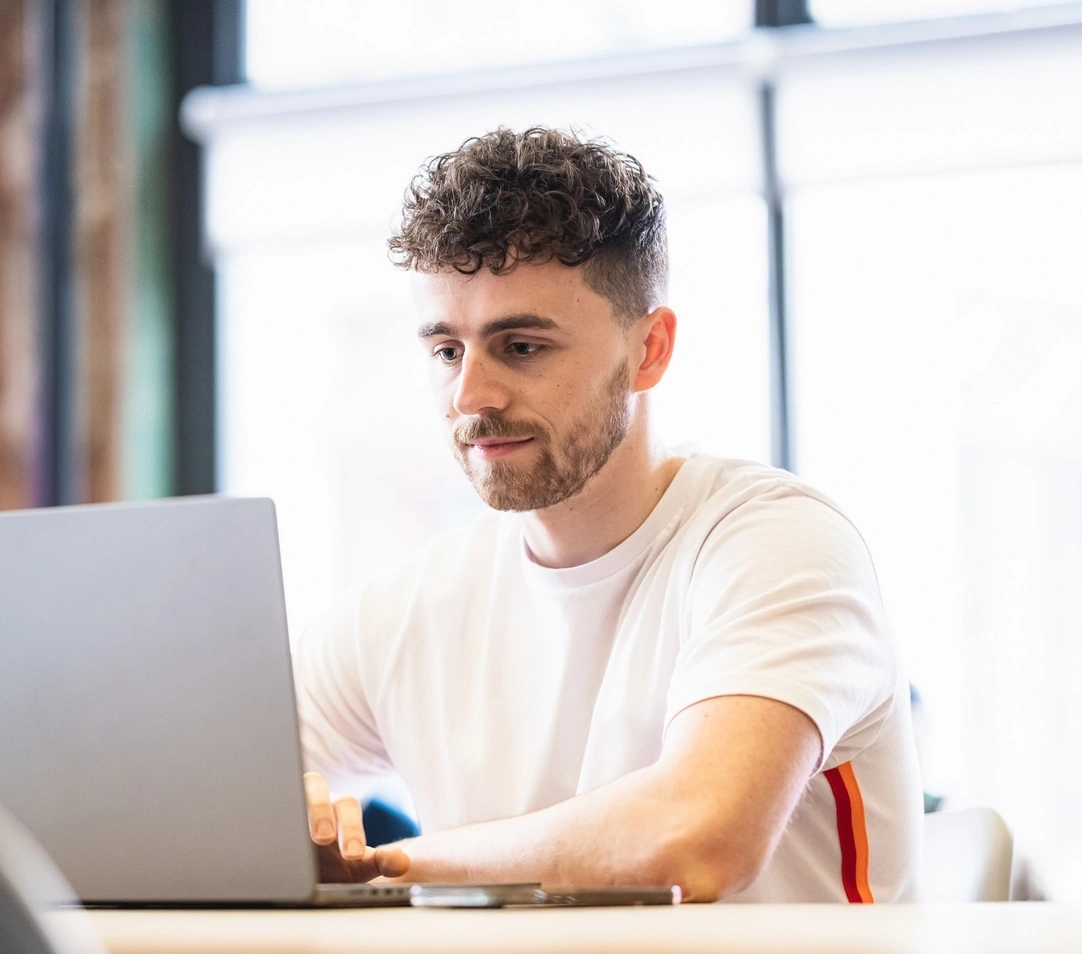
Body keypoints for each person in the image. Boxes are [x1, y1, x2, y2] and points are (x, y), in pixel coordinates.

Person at [293, 127, 923, 903]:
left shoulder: (778, 546)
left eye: (521, 347)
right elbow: (193, 796)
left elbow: (695, 838)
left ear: (650, 350)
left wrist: (390, 866)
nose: (471, 398)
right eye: (447, 351)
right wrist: (291, 827)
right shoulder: (408, 611)